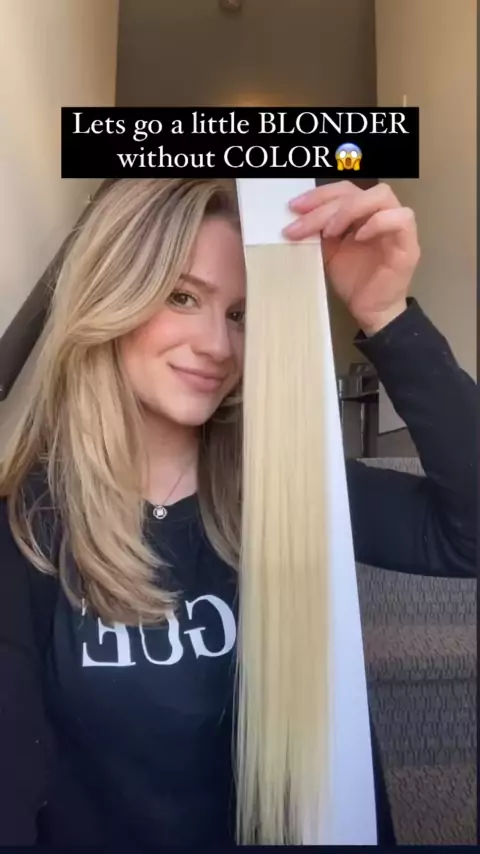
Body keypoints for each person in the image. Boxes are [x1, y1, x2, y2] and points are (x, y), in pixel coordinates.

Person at [0, 178, 476, 847]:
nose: (219, 347)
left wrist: (388, 315)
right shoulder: (29, 525)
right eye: (183, 297)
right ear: (113, 295)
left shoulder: (290, 489)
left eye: (240, 314)